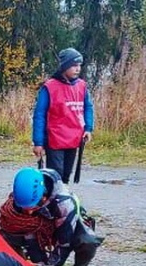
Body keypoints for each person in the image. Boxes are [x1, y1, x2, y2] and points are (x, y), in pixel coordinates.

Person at [0, 167, 103, 266]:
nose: (29, 211)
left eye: (32, 207)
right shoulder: (22, 196)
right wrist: (39, 262)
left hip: (66, 223)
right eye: (24, 208)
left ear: (43, 194)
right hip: (39, 227)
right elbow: (26, 232)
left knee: (88, 241)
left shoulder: (64, 204)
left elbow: (64, 243)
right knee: (6, 237)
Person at [32, 48, 94, 183]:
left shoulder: (82, 86)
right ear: (64, 66)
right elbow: (39, 115)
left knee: (66, 175)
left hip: (73, 138)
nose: (77, 69)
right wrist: (38, 142)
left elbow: (88, 107)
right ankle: (51, 201)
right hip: (55, 139)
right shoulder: (50, 87)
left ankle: (62, 201)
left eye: (79, 65)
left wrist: (88, 128)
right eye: (73, 65)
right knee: (54, 176)